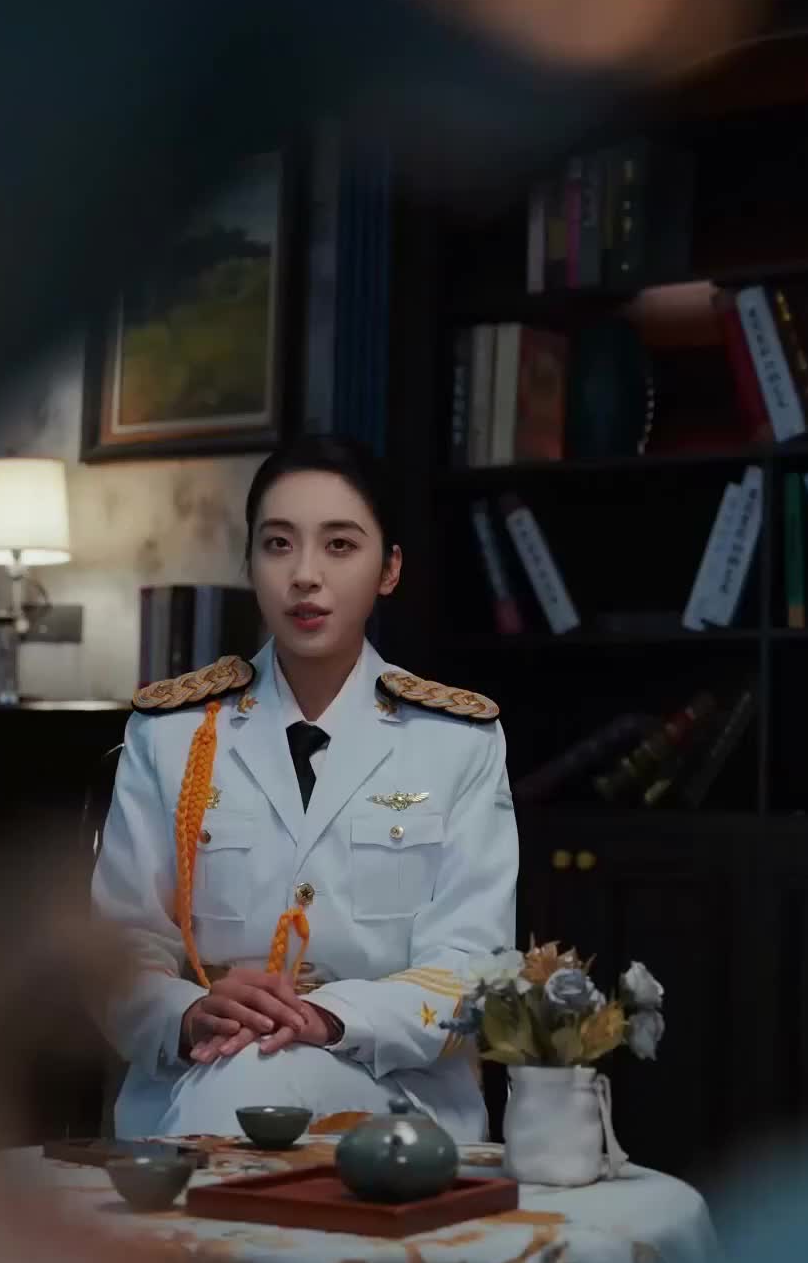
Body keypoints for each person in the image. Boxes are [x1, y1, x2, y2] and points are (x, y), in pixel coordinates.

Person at [93, 434, 517, 1141]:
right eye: (278, 545)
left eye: (340, 545)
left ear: (389, 569)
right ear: (250, 563)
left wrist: (328, 1018)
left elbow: (473, 967)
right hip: (201, 1080)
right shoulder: (170, 734)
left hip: (395, 1098)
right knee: (241, 1080)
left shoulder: (455, 742)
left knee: (254, 1082)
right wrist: (189, 1013)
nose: (305, 576)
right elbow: (118, 948)